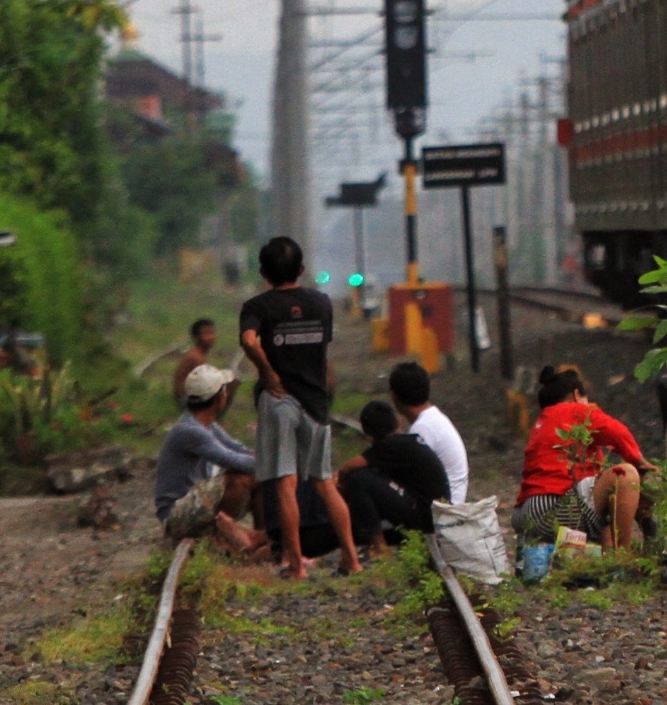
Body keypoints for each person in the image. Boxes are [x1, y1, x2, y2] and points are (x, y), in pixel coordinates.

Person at [239, 236, 362, 578]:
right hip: (316, 403)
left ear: (264, 272)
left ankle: (295, 566)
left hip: (280, 402)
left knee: (285, 484)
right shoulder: (322, 303)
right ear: (302, 270)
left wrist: (267, 371)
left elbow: (249, 340)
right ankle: (351, 559)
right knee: (323, 481)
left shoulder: (257, 307)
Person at [514, 364, 655, 550]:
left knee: (603, 503)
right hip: (552, 508)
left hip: (525, 514)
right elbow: (617, 432)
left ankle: (604, 564)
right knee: (626, 474)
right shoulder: (574, 410)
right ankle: (624, 558)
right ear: (576, 395)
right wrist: (640, 462)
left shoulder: (543, 421)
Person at [152, 364, 269, 556]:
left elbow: (238, 449)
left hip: (193, 504)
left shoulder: (205, 425)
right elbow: (231, 459)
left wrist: (262, 460)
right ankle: (222, 539)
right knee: (240, 477)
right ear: (218, 398)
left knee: (258, 476)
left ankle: (261, 544)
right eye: (224, 391)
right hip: (176, 514)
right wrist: (275, 462)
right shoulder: (191, 431)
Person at [335, 399, 451, 552]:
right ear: (398, 422)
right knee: (370, 478)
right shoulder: (405, 442)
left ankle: (380, 548)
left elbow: (348, 468)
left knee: (357, 478)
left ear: (368, 436)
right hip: (436, 514)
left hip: (427, 518)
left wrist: (335, 481)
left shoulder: (390, 445)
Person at [389, 360, 469, 504]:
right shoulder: (432, 418)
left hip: (445, 508)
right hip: (449, 499)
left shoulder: (423, 428)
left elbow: (408, 474)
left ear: (394, 397)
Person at [171, 318, 216, 405]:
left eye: (212, 333)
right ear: (197, 337)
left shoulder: (200, 354)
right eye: (207, 333)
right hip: (186, 398)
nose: (211, 337)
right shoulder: (195, 357)